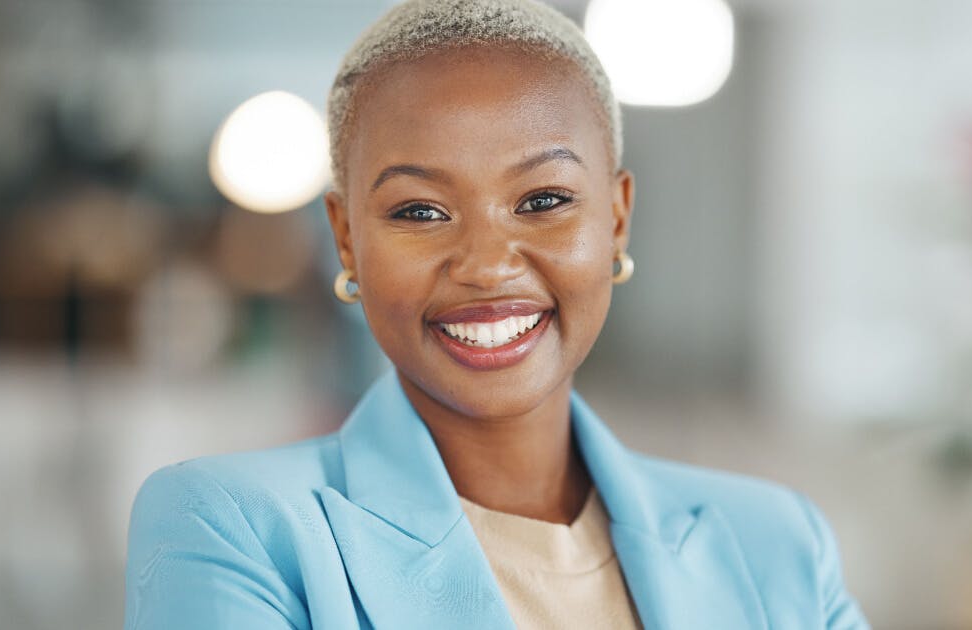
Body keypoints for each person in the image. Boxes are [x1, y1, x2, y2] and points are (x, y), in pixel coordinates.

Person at [123, 1, 870, 628]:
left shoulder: (776, 544)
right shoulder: (235, 527)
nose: (486, 264)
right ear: (346, 239)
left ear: (616, 219)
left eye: (543, 201)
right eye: (420, 210)